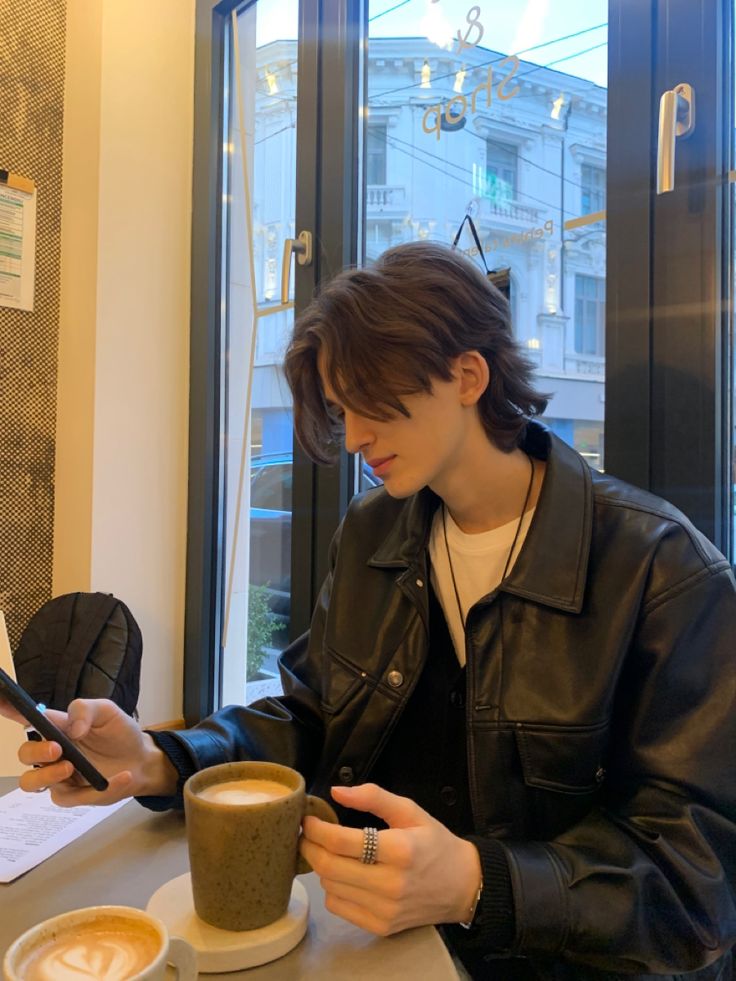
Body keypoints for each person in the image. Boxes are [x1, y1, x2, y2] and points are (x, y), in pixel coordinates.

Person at [2, 242, 735, 980]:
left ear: (469, 375)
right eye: (341, 408)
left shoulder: (658, 567)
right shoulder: (373, 533)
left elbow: (698, 880)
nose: (352, 437)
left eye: (371, 401)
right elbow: (311, 715)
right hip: (361, 940)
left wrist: (481, 883)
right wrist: (158, 761)